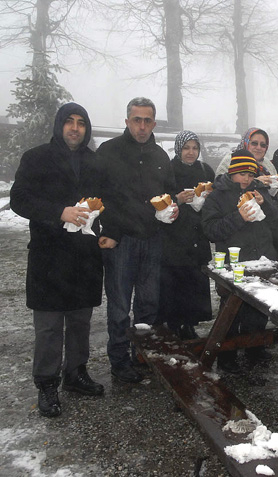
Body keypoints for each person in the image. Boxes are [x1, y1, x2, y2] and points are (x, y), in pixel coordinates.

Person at [10, 102, 105, 417]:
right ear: (59, 125)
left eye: (81, 122)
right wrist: (58, 212)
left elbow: (108, 201)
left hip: (85, 256)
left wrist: (105, 227)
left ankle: (76, 373)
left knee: (80, 321)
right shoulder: (36, 158)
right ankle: (47, 384)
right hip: (50, 255)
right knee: (49, 326)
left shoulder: (95, 162)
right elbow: (19, 199)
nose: (75, 128)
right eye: (69, 122)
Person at [96, 97, 179, 383]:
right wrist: (109, 231)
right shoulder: (108, 152)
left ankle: (141, 355)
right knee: (119, 306)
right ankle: (119, 362)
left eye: (147, 121)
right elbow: (96, 197)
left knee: (147, 304)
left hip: (152, 239)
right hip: (121, 241)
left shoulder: (159, 156)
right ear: (127, 121)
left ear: (154, 123)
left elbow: (168, 193)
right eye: (136, 120)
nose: (142, 126)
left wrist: (172, 208)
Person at [202, 150, 278, 373]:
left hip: (261, 259)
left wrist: (265, 205)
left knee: (258, 309)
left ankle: (254, 349)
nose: (247, 179)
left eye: (250, 174)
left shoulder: (259, 190)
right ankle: (226, 354)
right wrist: (239, 217)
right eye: (241, 174)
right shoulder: (216, 196)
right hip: (234, 265)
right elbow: (210, 230)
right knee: (231, 310)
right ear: (231, 172)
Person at [160, 131, 215, 340]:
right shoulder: (169, 171)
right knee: (175, 282)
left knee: (195, 282)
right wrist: (177, 199)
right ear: (178, 149)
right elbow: (160, 201)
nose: (190, 153)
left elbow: (215, 198)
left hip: (197, 235)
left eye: (194, 148)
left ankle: (190, 323)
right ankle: (174, 323)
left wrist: (207, 198)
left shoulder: (205, 170)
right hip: (174, 235)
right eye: (186, 148)